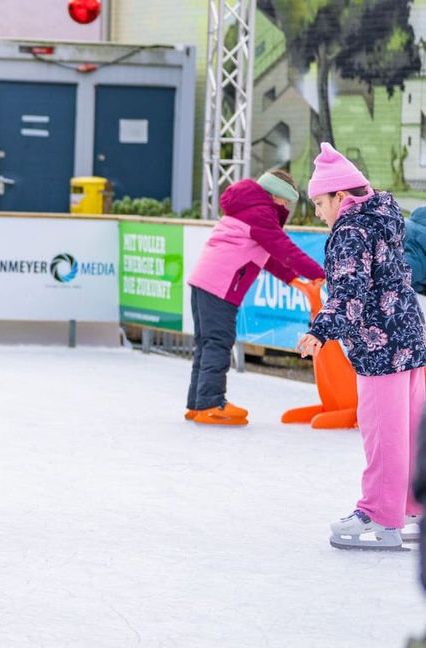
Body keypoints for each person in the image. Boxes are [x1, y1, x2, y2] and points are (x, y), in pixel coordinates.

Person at [296, 143, 426, 551]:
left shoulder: (350, 231)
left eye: (320, 203)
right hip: (411, 339)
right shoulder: (385, 217)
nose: (318, 213)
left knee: (384, 433)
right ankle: (412, 510)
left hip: (379, 346)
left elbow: (349, 293)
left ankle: (381, 516)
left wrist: (320, 331)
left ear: (341, 196)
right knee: (410, 432)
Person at [184, 170, 326, 425]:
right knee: (218, 342)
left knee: (206, 343)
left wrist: (294, 280)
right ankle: (211, 404)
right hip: (220, 286)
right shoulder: (261, 213)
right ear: (275, 195)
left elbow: (267, 255)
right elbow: (285, 249)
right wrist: (319, 273)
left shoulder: (248, 208)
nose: (286, 206)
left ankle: (197, 403)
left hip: (204, 282)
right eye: (285, 200)